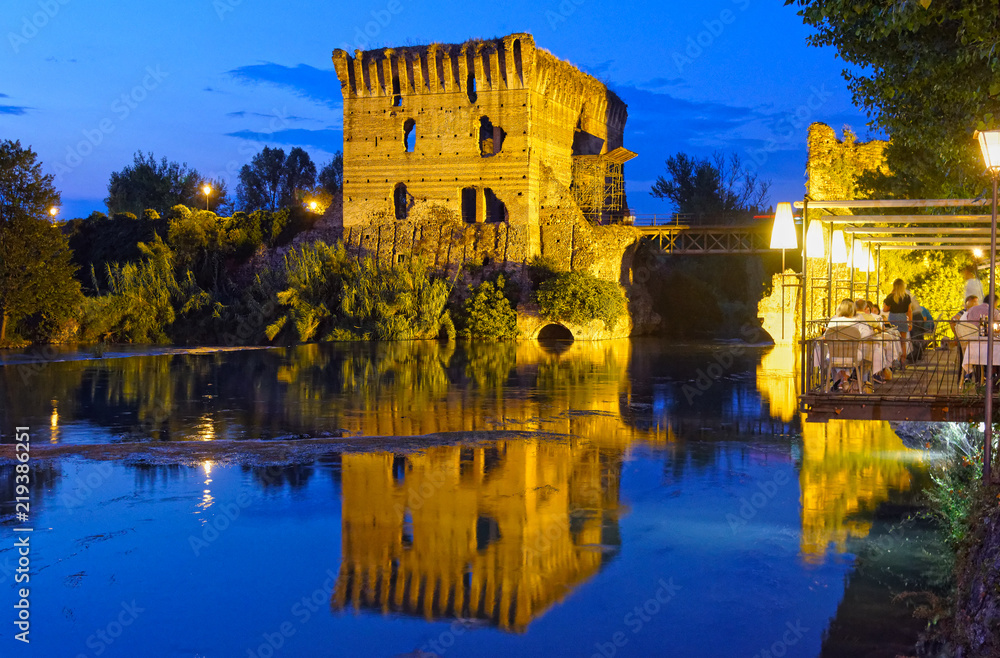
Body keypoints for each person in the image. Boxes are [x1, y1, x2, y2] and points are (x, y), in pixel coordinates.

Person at [883, 279, 912, 369]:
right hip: (903, 318)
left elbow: (885, 310)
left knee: (893, 341)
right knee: (903, 342)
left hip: (893, 318)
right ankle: (903, 361)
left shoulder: (890, 297)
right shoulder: (907, 297)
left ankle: (894, 362)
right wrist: (910, 323)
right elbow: (909, 311)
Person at [951, 295, 979, 383]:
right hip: (969, 340)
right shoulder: (964, 312)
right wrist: (957, 335)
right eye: (974, 302)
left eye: (976, 302)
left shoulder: (978, 312)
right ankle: (981, 375)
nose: (976, 304)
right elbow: (953, 320)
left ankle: (968, 373)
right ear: (968, 303)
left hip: (969, 341)